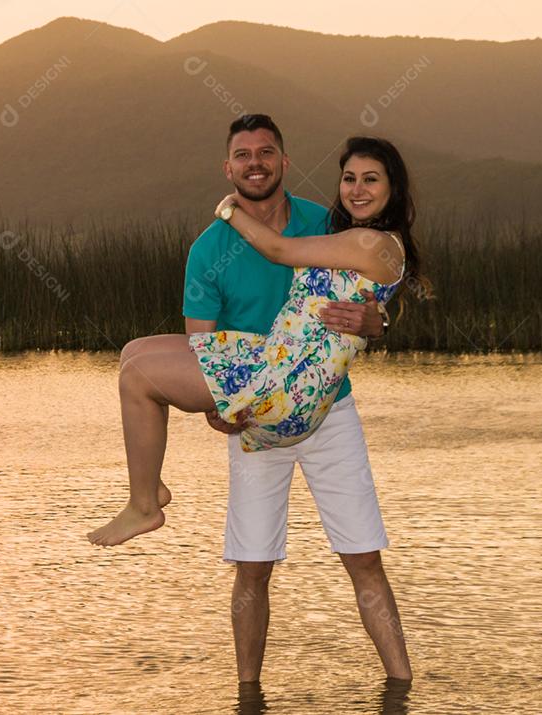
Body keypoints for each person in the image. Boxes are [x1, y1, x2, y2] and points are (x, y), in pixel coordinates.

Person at [88, 117, 419, 683]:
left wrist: (380, 321)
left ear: (285, 162)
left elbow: (356, 278)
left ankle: (146, 500)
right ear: (230, 166)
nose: (255, 162)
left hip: (311, 400)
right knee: (252, 566)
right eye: (243, 155)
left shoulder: (329, 223)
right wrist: (219, 403)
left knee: (363, 559)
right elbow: (202, 345)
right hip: (258, 403)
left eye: (266, 152)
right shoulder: (208, 251)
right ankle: (249, 693)